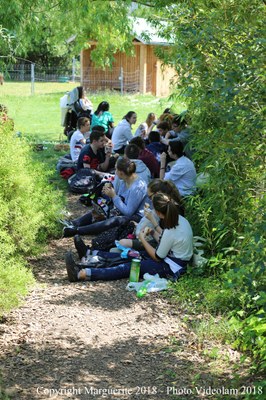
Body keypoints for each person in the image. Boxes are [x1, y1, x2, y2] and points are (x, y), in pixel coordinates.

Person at [65, 192, 193, 282]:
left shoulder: (172, 229)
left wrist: (143, 238)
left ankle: (82, 273)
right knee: (133, 255)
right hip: (170, 258)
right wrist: (153, 233)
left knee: (130, 266)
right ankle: (90, 253)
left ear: (159, 213)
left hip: (171, 267)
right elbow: (166, 241)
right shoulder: (180, 220)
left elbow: (158, 257)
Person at [62, 157, 150, 238]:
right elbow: (118, 197)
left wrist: (114, 196)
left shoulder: (137, 187)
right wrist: (109, 190)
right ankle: (75, 223)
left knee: (116, 220)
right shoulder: (123, 179)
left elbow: (128, 212)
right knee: (103, 206)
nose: (114, 171)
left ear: (121, 173)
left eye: (116, 169)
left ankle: (77, 230)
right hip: (123, 208)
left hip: (137, 216)